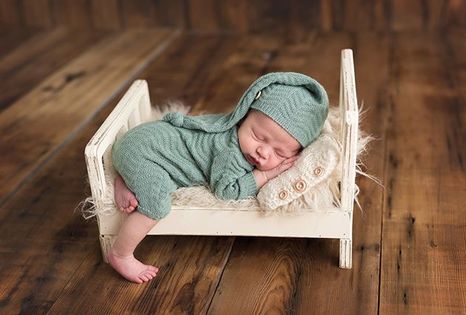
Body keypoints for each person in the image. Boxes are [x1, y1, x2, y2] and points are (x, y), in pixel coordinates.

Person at [109, 72, 329, 283]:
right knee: (157, 205)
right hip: (144, 151)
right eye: (258, 136)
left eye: (279, 153)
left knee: (159, 180)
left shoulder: (236, 131)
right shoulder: (230, 155)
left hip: (141, 142)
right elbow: (226, 191)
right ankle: (121, 254)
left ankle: (127, 177)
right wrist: (264, 174)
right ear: (243, 117)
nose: (263, 152)